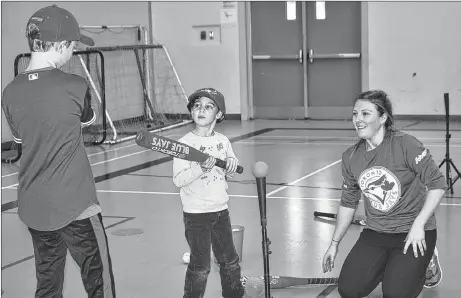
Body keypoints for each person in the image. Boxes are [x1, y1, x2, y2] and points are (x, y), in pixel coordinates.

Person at [1, 5, 116, 297]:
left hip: (34, 205)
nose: (73, 52)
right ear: (62, 45)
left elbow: (21, 142)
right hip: (76, 205)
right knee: (99, 281)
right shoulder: (75, 85)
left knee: (48, 282)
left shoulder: (9, 92)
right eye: (73, 46)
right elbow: (88, 120)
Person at [321, 90, 445, 298]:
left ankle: (426, 260)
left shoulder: (405, 144)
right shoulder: (351, 157)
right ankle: (394, 266)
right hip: (377, 232)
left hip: (413, 231)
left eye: (365, 114)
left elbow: (438, 184)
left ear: (383, 117)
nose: (358, 120)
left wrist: (419, 225)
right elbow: (348, 204)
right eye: (355, 114)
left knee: (395, 294)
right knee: (349, 290)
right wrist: (334, 244)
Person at [172, 88, 245, 298]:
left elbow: (228, 173)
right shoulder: (184, 144)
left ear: (219, 114)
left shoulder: (222, 142)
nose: (201, 109)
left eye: (208, 106)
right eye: (197, 105)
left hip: (221, 211)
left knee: (229, 261)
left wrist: (231, 165)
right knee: (200, 266)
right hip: (196, 215)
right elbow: (178, 179)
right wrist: (200, 168)